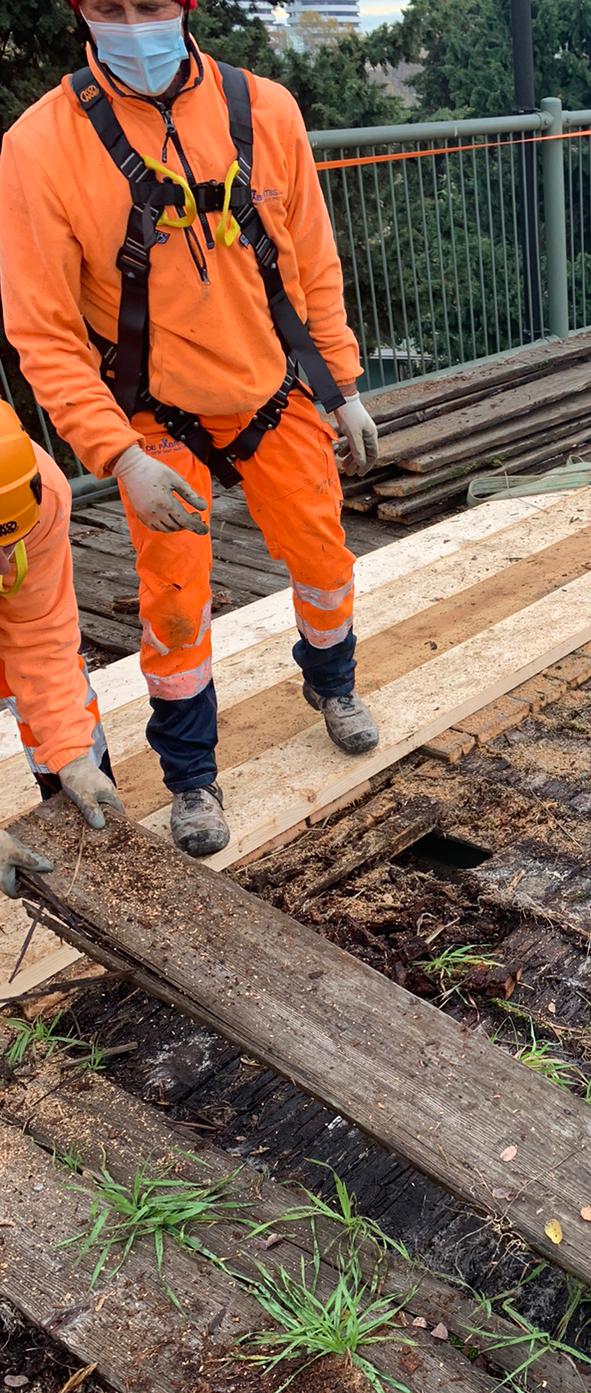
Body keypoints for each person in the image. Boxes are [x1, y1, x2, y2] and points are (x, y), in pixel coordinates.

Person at [0, 0, 382, 860]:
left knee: (324, 561)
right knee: (175, 605)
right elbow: (45, 333)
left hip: (272, 393)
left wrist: (342, 383)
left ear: (186, 6)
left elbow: (310, 262)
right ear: (80, 11)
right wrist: (119, 456)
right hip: (153, 416)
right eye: (110, 7)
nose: (134, 23)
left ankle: (333, 684)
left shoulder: (262, 109)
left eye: (150, 5)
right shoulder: (41, 144)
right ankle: (191, 776)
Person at [0, 402, 123, 897]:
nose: (4, 567)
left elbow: (41, 633)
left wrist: (71, 755)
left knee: (62, 725)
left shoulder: (37, 489)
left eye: (7, 543)